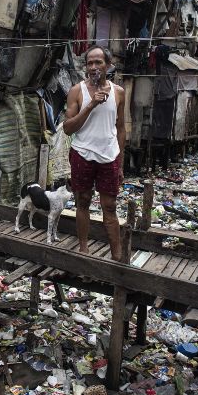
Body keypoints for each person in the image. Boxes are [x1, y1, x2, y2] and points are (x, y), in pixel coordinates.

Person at [63, 45, 127, 261]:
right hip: (82, 153)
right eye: (90, 63)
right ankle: (84, 250)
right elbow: (67, 128)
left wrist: (121, 164)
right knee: (83, 201)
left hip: (109, 156)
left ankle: (117, 256)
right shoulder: (76, 91)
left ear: (108, 66)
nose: (93, 67)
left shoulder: (119, 92)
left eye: (98, 62)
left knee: (109, 206)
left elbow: (120, 129)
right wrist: (90, 105)